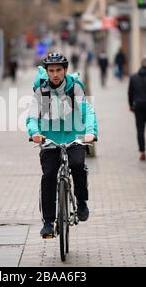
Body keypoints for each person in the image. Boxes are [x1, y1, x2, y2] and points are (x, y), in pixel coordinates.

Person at [26, 53, 98, 238]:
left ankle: (81, 201)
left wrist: (91, 132)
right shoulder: (41, 91)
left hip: (74, 137)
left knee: (77, 166)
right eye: (51, 71)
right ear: (47, 72)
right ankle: (49, 222)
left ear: (65, 70)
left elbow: (87, 112)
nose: (55, 74)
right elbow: (32, 117)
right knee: (49, 176)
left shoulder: (74, 88)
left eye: (59, 70)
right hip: (49, 139)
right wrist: (34, 133)